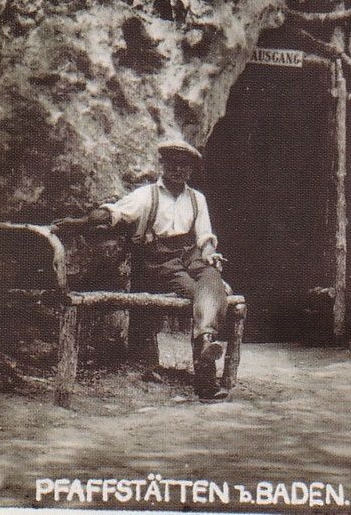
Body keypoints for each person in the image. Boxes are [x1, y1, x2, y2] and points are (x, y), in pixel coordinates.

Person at [53, 139, 230, 401]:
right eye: (172, 163)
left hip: (191, 256)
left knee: (212, 275)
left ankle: (205, 342)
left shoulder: (197, 199)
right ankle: (206, 380)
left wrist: (209, 254)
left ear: (190, 170)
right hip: (160, 262)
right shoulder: (147, 195)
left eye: (183, 165)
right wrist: (78, 223)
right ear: (163, 164)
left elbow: (204, 236)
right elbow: (113, 214)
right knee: (202, 294)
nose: (177, 170)